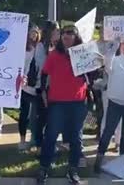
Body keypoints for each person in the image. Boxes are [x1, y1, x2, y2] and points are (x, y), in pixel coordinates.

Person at [36, 25, 89, 185]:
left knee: (76, 138)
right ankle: (44, 168)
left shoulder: (84, 54)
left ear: (76, 36)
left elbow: (93, 74)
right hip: (57, 102)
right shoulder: (54, 55)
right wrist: (43, 93)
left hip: (78, 102)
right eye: (64, 33)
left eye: (70, 33)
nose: (66, 36)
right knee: (51, 136)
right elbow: (44, 74)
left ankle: (72, 170)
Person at [94, 40, 124, 179]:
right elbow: (107, 63)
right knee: (108, 130)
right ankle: (99, 159)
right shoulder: (114, 60)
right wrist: (114, 43)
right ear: (121, 46)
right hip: (115, 102)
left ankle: (122, 162)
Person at [19, 25, 46, 151]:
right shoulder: (23, 47)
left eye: (35, 33)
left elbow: (44, 65)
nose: (33, 35)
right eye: (31, 33)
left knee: (36, 116)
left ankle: (34, 139)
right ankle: (22, 140)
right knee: (24, 114)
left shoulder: (41, 47)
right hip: (24, 85)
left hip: (38, 86)